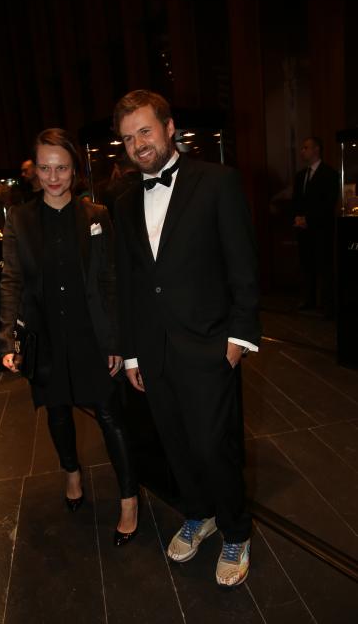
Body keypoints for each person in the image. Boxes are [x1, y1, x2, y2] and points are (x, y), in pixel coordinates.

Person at [113, 90, 260, 586]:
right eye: (128, 138)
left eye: (145, 131)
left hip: (210, 345)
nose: (138, 144)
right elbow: (132, 284)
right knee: (175, 443)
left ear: (169, 127)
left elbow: (243, 265)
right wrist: (132, 353)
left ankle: (236, 530)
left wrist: (239, 338)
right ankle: (199, 513)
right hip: (153, 351)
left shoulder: (217, 182)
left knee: (216, 446)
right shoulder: (124, 202)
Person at [0, 128, 138, 545]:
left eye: (61, 168)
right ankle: (72, 473)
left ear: (74, 170)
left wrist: (114, 341)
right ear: (35, 171)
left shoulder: (97, 215)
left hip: (91, 334)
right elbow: (11, 280)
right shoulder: (19, 219)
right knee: (57, 410)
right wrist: (8, 340)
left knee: (111, 415)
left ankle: (128, 498)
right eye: (45, 168)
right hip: (45, 335)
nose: (53, 177)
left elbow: (110, 280)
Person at [292, 137, 339, 317]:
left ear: (317, 149)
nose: (302, 151)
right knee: (306, 265)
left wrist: (308, 219)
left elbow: (328, 203)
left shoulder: (330, 174)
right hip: (303, 230)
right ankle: (309, 299)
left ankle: (327, 305)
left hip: (321, 229)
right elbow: (296, 201)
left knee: (325, 266)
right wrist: (297, 217)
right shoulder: (300, 176)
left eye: (306, 147)